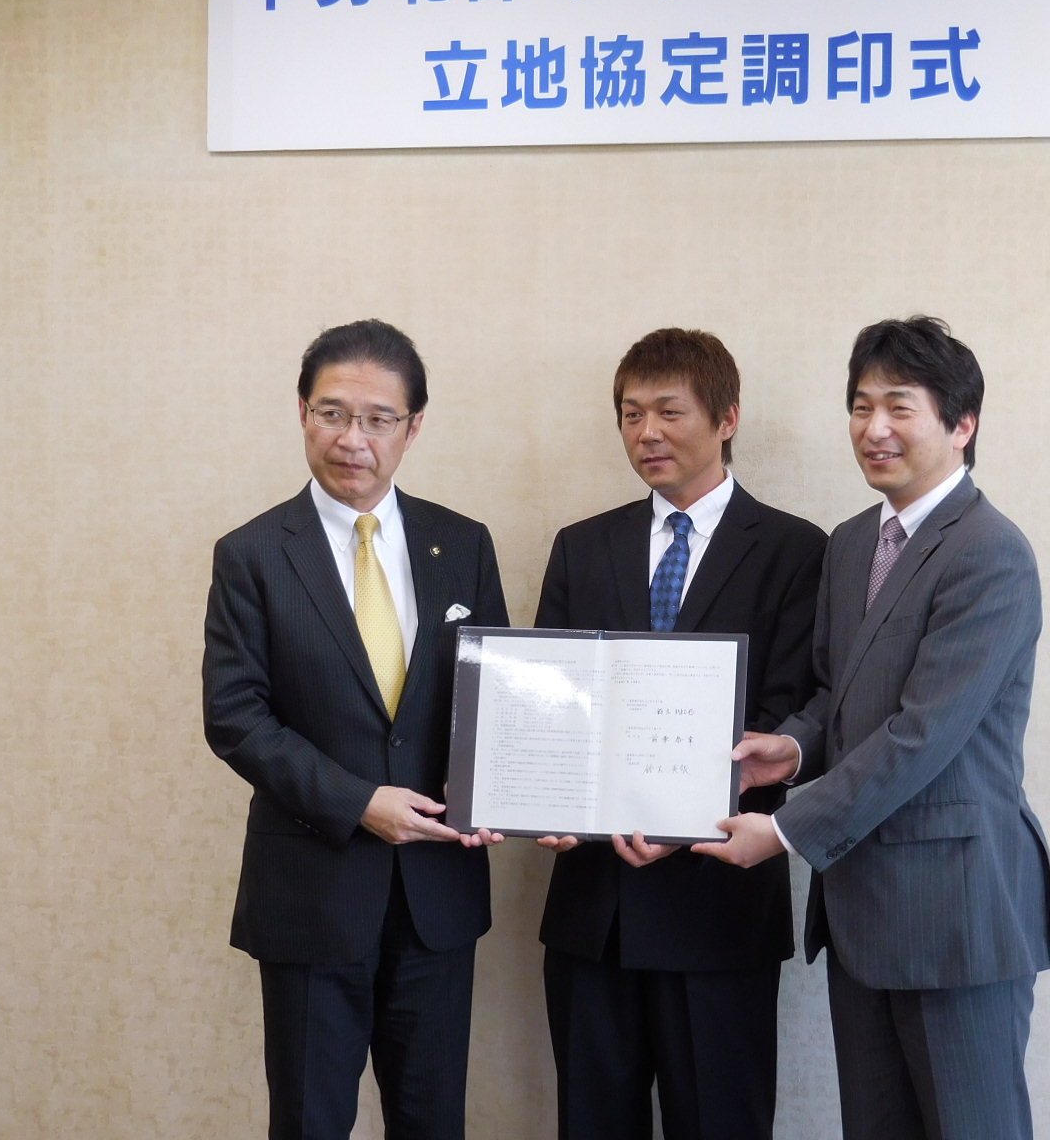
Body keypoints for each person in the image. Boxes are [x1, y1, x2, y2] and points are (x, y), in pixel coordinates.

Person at [695, 316, 1050, 1140]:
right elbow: (840, 692)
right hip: (862, 911)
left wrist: (783, 830)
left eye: (900, 406)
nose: (874, 428)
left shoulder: (991, 553)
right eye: (860, 407)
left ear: (962, 425)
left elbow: (921, 735)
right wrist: (791, 747)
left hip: (957, 913)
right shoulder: (854, 542)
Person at [202, 319, 507, 1140]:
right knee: (310, 1122)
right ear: (303, 412)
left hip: (438, 895)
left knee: (432, 1121)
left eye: (378, 419)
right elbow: (235, 716)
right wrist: (358, 802)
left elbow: (495, 700)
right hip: (312, 893)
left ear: (413, 427)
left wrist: (499, 784)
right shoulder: (252, 554)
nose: (352, 439)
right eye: (333, 413)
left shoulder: (463, 544)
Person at [533, 327, 826, 1140]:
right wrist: (544, 794)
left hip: (719, 906)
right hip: (594, 909)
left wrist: (679, 811)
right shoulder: (581, 546)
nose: (647, 433)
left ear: (727, 418)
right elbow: (553, 705)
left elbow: (798, 708)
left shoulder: (797, 550)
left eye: (670, 411)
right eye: (631, 415)